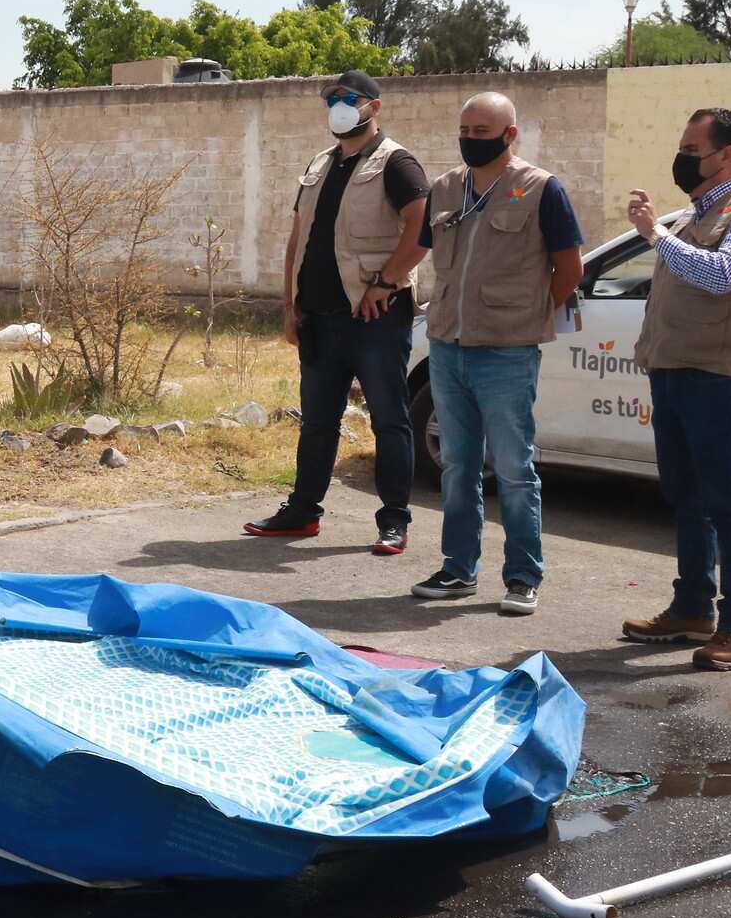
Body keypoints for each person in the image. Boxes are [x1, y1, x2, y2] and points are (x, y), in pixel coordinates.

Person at [412, 93, 585, 615]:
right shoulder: (444, 189)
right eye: (464, 128)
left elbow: (569, 269)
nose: (470, 138)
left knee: (513, 467)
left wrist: (527, 315)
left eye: (482, 131)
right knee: (458, 466)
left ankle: (522, 577)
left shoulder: (539, 189)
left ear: (510, 135)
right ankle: (459, 569)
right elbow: (426, 252)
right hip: (447, 345)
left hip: (507, 351)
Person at [623, 109, 731, 671]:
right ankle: (693, 606)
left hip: (719, 374)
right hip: (673, 368)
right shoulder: (699, 211)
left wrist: (654, 234)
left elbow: (721, 274)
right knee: (685, 495)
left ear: (728, 154)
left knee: (726, 501)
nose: (683, 156)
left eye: (693, 147)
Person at [245, 70, 430, 554]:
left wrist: (387, 282)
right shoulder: (320, 164)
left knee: (389, 419)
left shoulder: (397, 163)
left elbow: (421, 226)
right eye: (332, 99)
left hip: (375, 318)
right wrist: (290, 306)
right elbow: (296, 241)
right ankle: (303, 511)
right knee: (318, 421)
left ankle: (394, 520)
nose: (339, 106)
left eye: (349, 98)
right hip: (320, 318)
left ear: (375, 106)